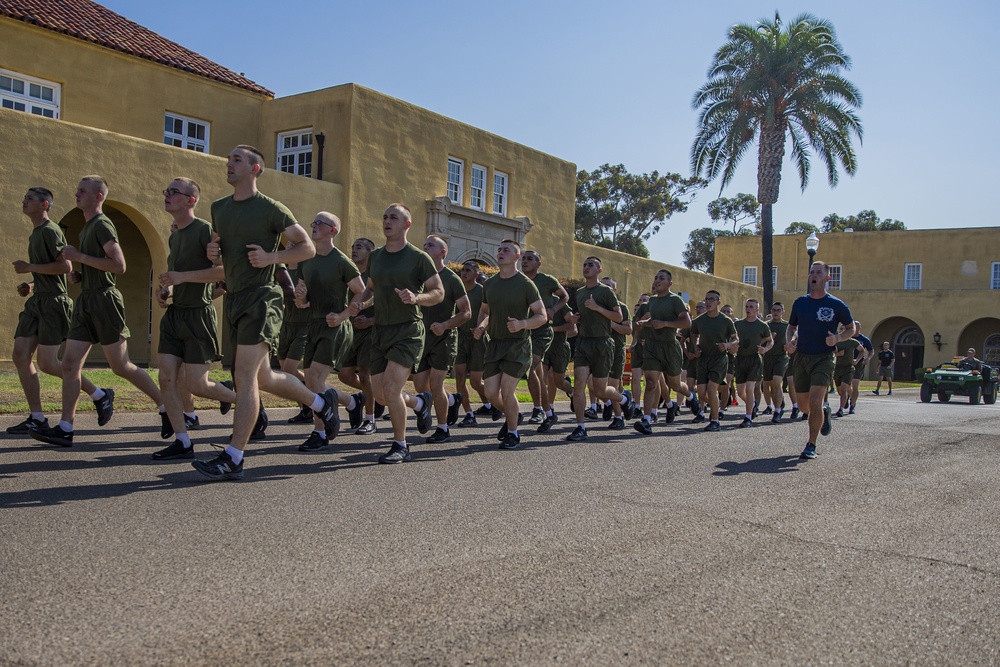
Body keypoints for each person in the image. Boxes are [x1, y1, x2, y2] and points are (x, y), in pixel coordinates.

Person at [195, 145, 340, 480]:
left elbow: (304, 247)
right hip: (234, 299)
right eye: (228, 159)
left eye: (237, 160)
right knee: (264, 378)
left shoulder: (271, 209)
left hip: (263, 298)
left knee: (243, 378)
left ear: (255, 169)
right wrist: (213, 251)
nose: (228, 164)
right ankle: (321, 403)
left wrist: (272, 258)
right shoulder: (219, 208)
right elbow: (218, 253)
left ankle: (234, 456)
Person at [30, 176, 165, 448]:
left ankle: (167, 407)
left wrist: (79, 258)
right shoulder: (87, 227)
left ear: (98, 197)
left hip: (105, 301)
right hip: (86, 300)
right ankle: (65, 427)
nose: (76, 194)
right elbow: (98, 263)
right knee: (69, 364)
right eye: (77, 189)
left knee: (121, 366)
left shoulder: (102, 224)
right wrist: (82, 274)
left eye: (82, 191)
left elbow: (119, 265)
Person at [8, 187, 108, 435]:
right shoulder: (36, 233)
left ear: (44, 205)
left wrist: (29, 267)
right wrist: (31, 284)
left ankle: (99, 394)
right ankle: (37, 417)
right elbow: (49, 270)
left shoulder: (51, 231)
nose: (24, 201)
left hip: (54, 304)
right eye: (25, 197)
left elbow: (65, 266)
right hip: (37, 301)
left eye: (29, 198)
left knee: (48, 363)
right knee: (20, 356)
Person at [150, 178, 237, 460]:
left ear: (191, 200)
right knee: (167, 379)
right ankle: (183, 441)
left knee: (197, 386)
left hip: (198, 315)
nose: (167, 195)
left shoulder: (205, 231)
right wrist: (167, 290)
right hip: (175, 315)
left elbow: (222, 273)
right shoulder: (175, 236)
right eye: (167, 190)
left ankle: (247, 403)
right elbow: (177, 275)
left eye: (173, 192)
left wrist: (181, 278)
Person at [350, 203, 443, 464]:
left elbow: (438, 291)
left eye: (394, 217)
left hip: (408, 331)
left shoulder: (418, 257)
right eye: (385, 216)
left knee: (391, 388)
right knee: (381, 395)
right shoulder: (376, 256)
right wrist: (362, 303)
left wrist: (416, 297)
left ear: (407, 224)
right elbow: (370, 287)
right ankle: (420, 404)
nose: (387, 221)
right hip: (380, 332)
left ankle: (401, 445)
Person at [293, 212, 367, 453]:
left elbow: (360, 292)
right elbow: (302, 302)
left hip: (336, 326)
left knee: (314, 379)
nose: (313, 226)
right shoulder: (307, 260)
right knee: (312, 378)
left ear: (332, 230)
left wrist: (343, 315)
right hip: (314, 324)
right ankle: (352, 401)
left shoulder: (342, 261)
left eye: (319, 223)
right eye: (312, 222)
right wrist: (301, 298)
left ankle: (320, 433)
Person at [473, 239, 546, 449]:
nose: (501, 252)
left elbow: (541, 316)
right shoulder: (490, 284)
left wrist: (523, 323)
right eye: (499, 249)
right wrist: (482, 326)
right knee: (489, 393)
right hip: (495, 344)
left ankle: (513, 433)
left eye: (506, 250)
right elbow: (486, 311)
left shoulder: (525, 284)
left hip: (518, 345)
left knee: (506, 390)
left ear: (516, 257)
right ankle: (513, 415)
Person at [785, 261, 855, 460]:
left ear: (827, 278)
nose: (814, 275)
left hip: (824, 357)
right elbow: (791, 327)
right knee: (805, 406)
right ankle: (824, 410)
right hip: (801, 358)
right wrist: (789, 341)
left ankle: (811, 444)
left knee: (815, 400)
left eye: (818, 272)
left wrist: (838, 338)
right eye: (811, 272)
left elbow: (851, 328)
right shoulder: (800, 303)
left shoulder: (836, 305)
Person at [564, 256, 633, 441]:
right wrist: (576, 319)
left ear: (599, 270)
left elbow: (618, 317)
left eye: (591, 265)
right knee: (579, 385)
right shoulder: (579, 293)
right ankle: (580, 427)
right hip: (584, 343)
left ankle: (625, 399)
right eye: (584, 264)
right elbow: (582, 315)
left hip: (603, 343)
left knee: (601, 390)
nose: (586, 267)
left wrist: (597, 308)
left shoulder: (605, 292)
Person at [415, 234, 471, 444]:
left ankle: (442, 428)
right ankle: (450, 400)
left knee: (436, 384)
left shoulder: (451, 279)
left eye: (430, 245)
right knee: (421, 385)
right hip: (422, 338)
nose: (425, 248)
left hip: (444, 338)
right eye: (424, 245)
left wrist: (445, 325)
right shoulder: (420, 278)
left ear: (442, 252)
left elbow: (466, 312)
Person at [633, 269, 698, 435]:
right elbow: (653, 319)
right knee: (651, 383)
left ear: (670, 283)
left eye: (661, 278)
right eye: (655, 278)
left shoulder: (675, 301)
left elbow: (686, 322)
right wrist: (644, 323)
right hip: (652, 346)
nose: (657, 280)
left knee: (675, 385)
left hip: (670, 347)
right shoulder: (652, 301)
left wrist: (666, 324)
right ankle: (646, 420)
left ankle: (690, 397)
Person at [520, 250, 569, 426]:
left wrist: (553, 310)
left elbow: (564, 296)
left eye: (530, 259)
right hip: (524, 330)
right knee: (538, 376)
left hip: (541, 331)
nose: (525, 262)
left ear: (538, 263)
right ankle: (549, 412)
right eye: (523, 258)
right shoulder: (518, 280)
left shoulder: (547, 280)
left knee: (530, 366)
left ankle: (537, 409)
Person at [338, 237, 379, 435]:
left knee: (364, 374)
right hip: (352, 332)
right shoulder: (350, 275)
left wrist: (371, 321)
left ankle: (370, 419)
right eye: (353, 247)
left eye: (359, 247)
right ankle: (369, 396)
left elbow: (388, 305)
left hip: (371, 332)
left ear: (370, 253)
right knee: (344, 374)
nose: (354, 250)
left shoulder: (376, 276)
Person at [688, 290, 738, 432]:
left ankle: (715, 421)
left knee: (711, 389)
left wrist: (728, 345)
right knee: (702, 393)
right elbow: (694, 334)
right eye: (707, 299)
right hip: (703, 358)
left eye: (712, 299)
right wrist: (696, 346)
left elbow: (735, 338)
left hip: (719, 358)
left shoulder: (726, 321)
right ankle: (718, 405)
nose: (708, 302)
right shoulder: (699, 320)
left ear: (718, 302)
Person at [453, 260, 489, 426]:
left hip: (478, 339)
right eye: (462, 270)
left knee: (475, 381)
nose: (464, 272)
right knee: (459, 377)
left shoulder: (482, 291)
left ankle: (497, 402)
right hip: (460, 337)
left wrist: (481, 329)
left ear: (476, 274)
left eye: (468, 270)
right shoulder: (457, 291)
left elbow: (491, 314)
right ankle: (469, 414)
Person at [733, 299, 773, 428]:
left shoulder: (762, 325)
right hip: (740, 359)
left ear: (757, 309)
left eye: (751, 307)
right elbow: (732, 338)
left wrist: (765, 349)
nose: (748, 308)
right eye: (747, 306)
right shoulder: (738, 324)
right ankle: (753, 405)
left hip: (754, 359)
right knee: (740, 392)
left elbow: (770, 340)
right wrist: (732, 346)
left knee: (750, 388)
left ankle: (748, 417)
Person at [601, 276, 632, 420]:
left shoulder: (621, 308)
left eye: (608, 286)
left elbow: (628, 330)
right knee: (594, 386)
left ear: (614, 290)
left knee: (612, 386)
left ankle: (618, 417)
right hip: (599, 349)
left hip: (616, 350)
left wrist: (612, 325)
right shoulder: (596, 307)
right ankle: (617, 401)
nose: (604, 288)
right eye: (602, 285)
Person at [762, 302, 789, 423]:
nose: (776, 312)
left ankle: (777, 411)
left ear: (783, 311)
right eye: (774, 310)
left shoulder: (787, 326)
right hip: (767, 358)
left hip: (781, 357)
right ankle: (779, 401)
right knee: (770, 385)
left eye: (778, 310)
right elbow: (759, 340)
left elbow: (794, 338)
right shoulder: (765, 325)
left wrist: (790, 345)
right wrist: (768, 338)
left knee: (776, 382)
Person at [832, 323, 861, 417]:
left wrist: (857, 360)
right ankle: (848, 396)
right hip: (837, 368)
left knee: (844, 389)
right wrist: (837, 354)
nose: (842, 330)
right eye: (840, 328)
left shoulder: (852, 342)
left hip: (848, 368)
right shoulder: (835, 341)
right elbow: (829, 353)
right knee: (840, 391)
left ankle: (840, 409)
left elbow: (862, 350)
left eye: (844, 329)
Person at [849, 321, 874, 414]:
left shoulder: (864, 339)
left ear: (860, 328)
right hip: (847, 362)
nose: (855, 328)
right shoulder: (847, 337)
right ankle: (849, 396)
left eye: (856, 326)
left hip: (859, 363)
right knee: (847, 386)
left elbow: (871, 350)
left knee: (855, 383)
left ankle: (852, 405)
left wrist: (868, 358)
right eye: (853, 326)